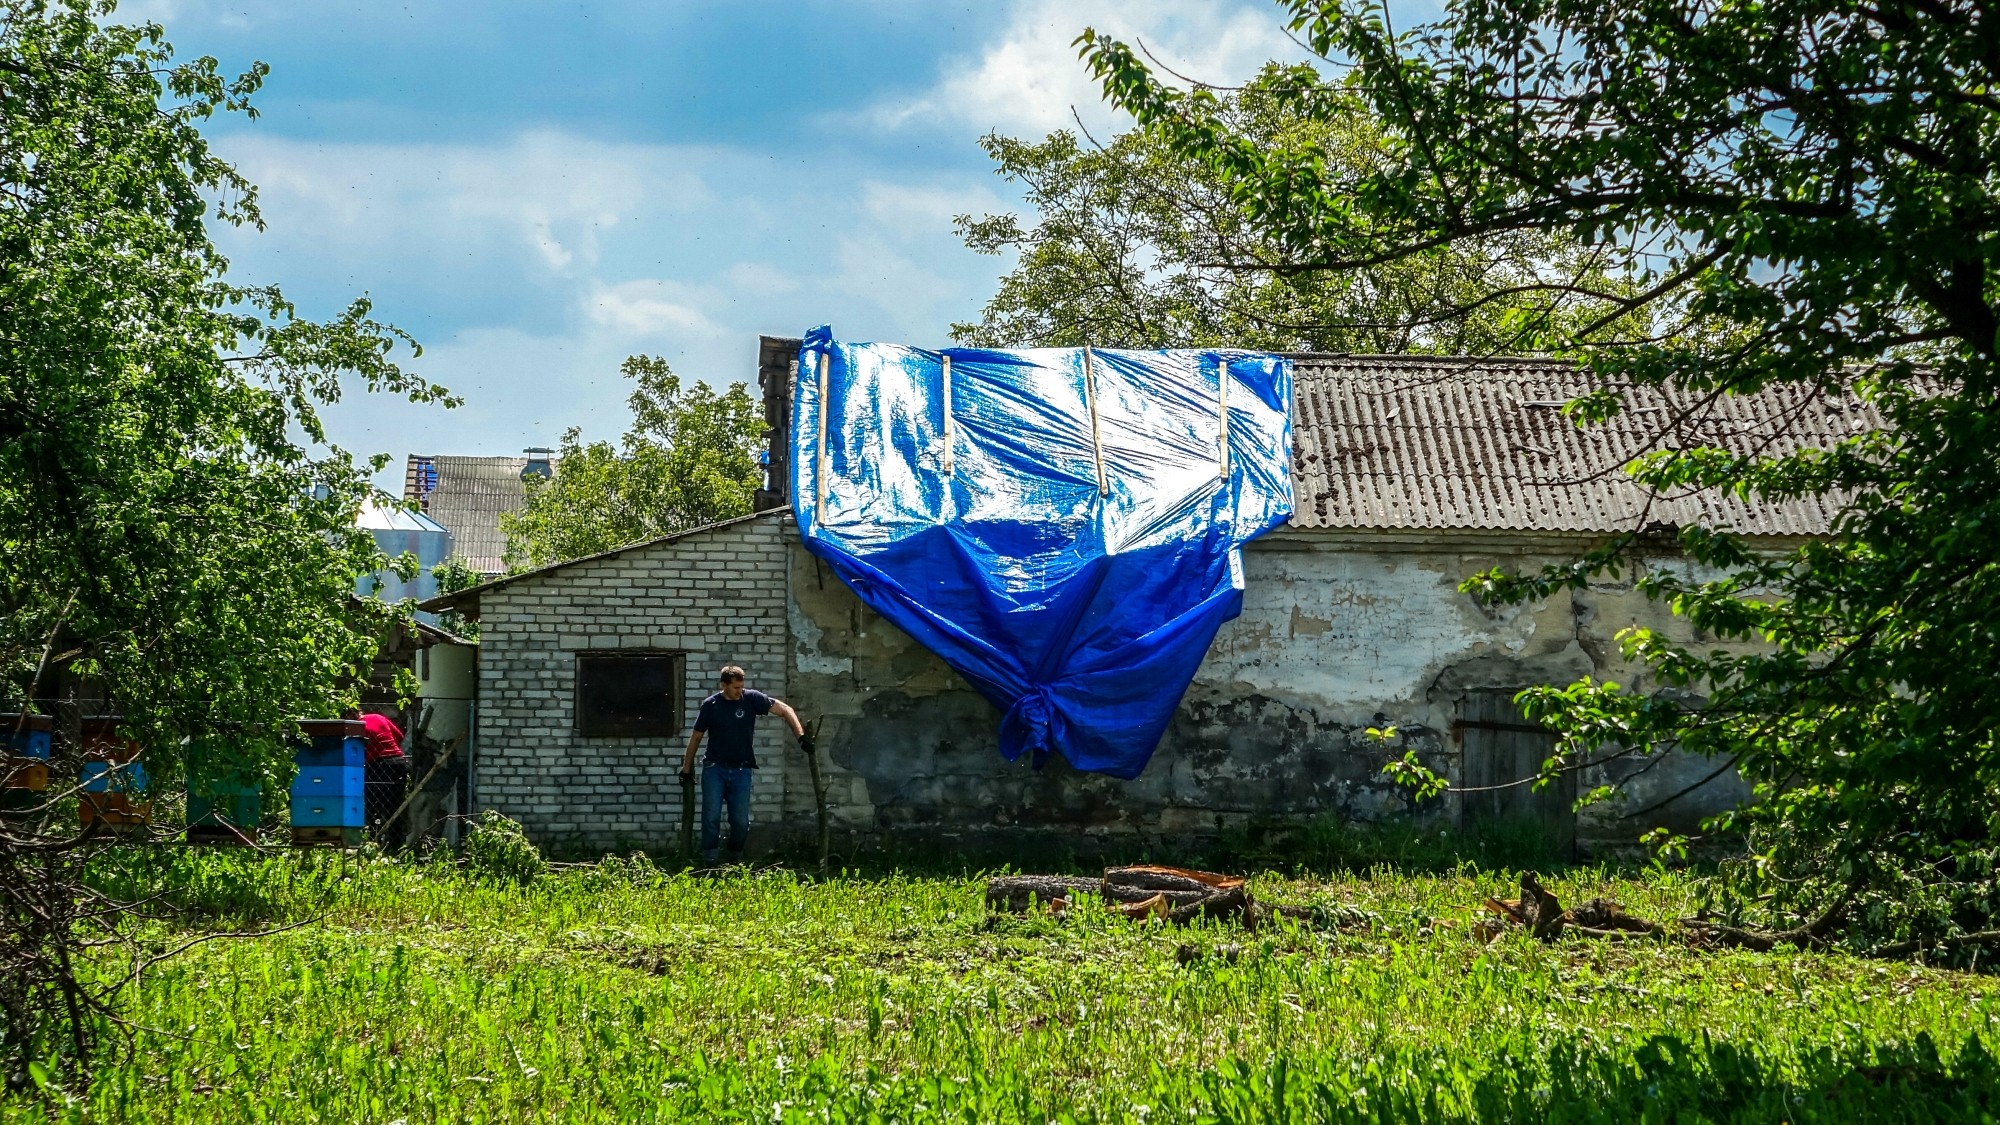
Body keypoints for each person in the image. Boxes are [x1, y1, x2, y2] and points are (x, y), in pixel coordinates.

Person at [677, 665, 810, 865]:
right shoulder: (711, 705)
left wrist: (801, 737)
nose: (740, 691)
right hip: (715, 769)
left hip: (742, 770)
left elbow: (785, 709)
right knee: (711, 818)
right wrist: (686, 769)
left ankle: (734, 859)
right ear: (723, 685)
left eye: (742, 686)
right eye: (735, 687)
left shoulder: (751, 699)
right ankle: (710, 862)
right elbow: (696, 737)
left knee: (740, 822)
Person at [360, 711, 411, 849]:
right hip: (398, 763)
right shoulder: (378, 717)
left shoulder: (354, 726)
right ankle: (395, 846)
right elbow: (399, 736)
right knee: (394, 808)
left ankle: (372, 843)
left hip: (377, 765)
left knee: (373, 807)